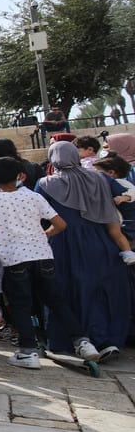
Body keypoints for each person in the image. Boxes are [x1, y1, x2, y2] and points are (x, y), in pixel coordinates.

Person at [0, 157, 100, 369]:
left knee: (21, 304)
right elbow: (59, 224)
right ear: (20, 176)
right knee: (55, 300)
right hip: (42, 255)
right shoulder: (33, 196)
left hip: (14, 259)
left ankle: (28, 351)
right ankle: (83, 342)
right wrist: (43, 236)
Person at [36, 141, 134, 360]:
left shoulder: (45, 183)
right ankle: (105, 338)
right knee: (99, 290)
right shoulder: (100, 177)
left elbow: (37, 214)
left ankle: (77, 340)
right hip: (101, 240)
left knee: (66, 291)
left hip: (62, 243)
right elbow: (126, 195)